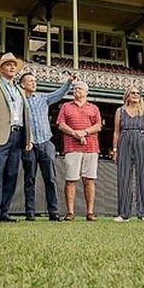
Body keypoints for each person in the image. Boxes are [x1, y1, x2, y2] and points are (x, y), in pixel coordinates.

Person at [0, 53, 32, 223]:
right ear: (1, 68)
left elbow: (26, 114)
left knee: (12, 174)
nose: (12, 67)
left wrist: (28, 137)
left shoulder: (20, 90)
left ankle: (4, 211)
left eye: (13, 65)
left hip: (18, 135)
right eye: (8, 64)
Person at [18, 70, 76, 221]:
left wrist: (69, 82)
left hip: (46, 142)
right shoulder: (19, 100)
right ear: (23, 84)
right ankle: (30, 212)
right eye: (30, 81)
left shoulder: (43, 98)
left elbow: (59, 93)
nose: (33, 82)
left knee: (50, 178)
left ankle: (53, 211)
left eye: (34, 80)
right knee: (29, 179)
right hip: (28, 144)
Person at [56, 81, 102, 221]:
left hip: (91, 147)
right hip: (72, 147)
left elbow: (98, 126)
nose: (77, 90)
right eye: (75, 88)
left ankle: (90, 212)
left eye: (80, 89)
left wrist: (84, 132)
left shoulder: (93, 108)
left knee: (89, 180)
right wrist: (75, 133)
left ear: (86, 92)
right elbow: (61, 124)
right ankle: (70, 212)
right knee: (71, 179)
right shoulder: (66, 106)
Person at [111, 86, 144, 222]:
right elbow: (116, 131)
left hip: (142, 140)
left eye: (138, 93)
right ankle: (124, 214)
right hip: (124, 141)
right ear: (127, 96)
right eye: (133, 93)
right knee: (123, 177)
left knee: (143, 176)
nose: (136, 95)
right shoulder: (120, 111)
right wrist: (115, 150)